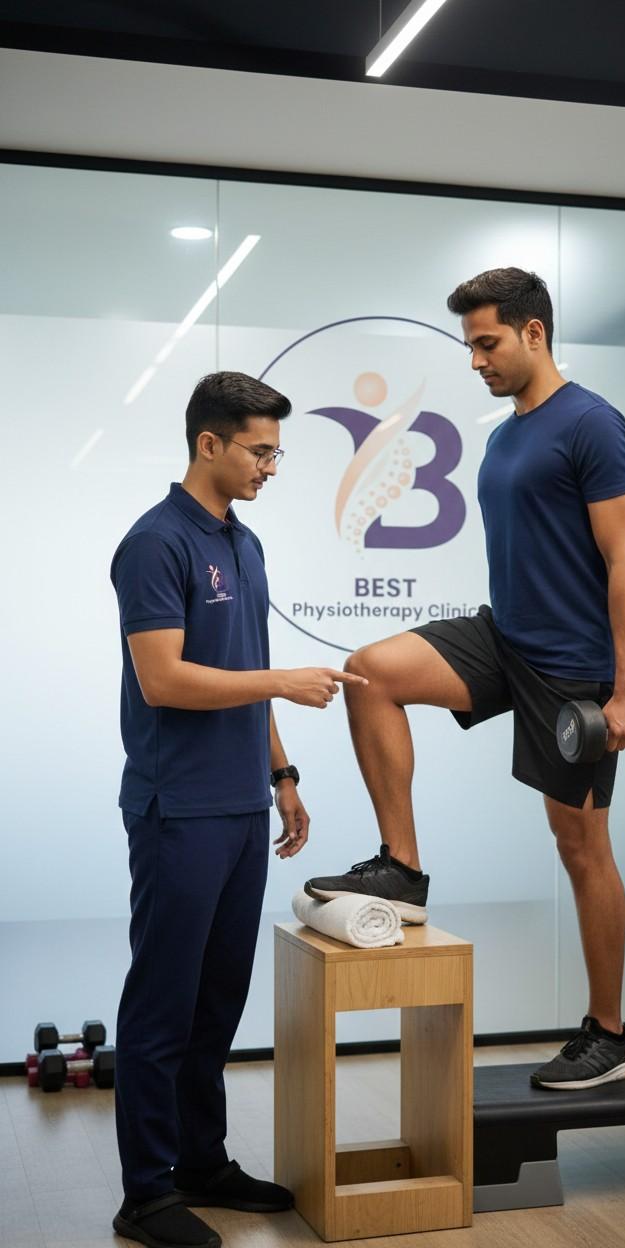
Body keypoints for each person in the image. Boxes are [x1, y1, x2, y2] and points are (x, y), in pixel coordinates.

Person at [305, 268, 625, 1091]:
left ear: (535, 333)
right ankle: (402, 867)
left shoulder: (594, 425)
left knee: (580, 847)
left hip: (573, 670)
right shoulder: (505, 435)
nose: (475, 360)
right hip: (504, 638)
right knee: (371, 672)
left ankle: (611, 1032)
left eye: (487, 343)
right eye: (469, 345)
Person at [110, 371, 367, 1248]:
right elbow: (165, 678)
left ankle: (201, 1163)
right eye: (260, 450)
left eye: (277, 451)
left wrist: (283, 777)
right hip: (176, 811)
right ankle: (145, 1194)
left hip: (240, 809)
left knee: (218, 1000)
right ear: (208, 444)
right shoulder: (154, 544)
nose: (271, 465)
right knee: (162, 1007)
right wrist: (285, 685)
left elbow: (242, 671)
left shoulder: (245, 545)